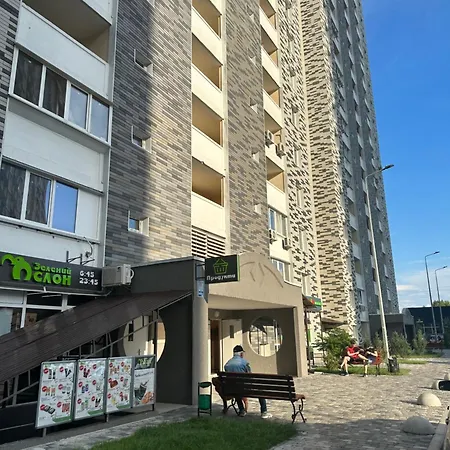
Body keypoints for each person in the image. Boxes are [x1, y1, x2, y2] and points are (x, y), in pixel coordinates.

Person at [224, 345, 272, 419]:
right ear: (241, 354)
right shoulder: (244, 363)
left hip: (233, 389)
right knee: (260, 391)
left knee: (236, 390)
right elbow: (250, 376)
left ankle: (242, 410)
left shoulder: (227, 364)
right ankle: (264, 412)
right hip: (246, 389)